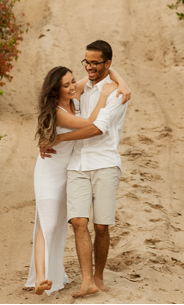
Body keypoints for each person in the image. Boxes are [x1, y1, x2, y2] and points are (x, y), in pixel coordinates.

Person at [26, 64, 131, 296]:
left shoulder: (73, 95)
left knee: (63, 225)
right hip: (50, 171)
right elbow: (91, 124)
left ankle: (52, 273)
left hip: (71, 171)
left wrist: (122, 83)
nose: (73, 86)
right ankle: (41, 279)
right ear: (56, 90)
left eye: (73, 81)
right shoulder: (57, 111)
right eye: (67, 85)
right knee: (47, 223)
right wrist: (103, 96)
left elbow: (102, 72)